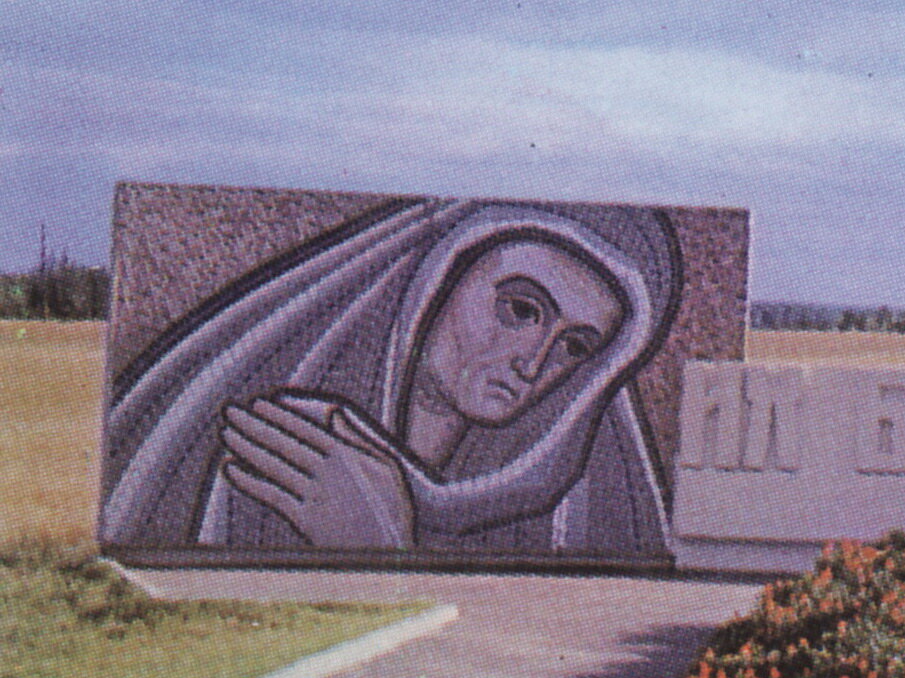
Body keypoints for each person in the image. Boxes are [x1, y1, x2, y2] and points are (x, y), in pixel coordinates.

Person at [101, 198, 680, 558]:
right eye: (521, 309)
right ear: (439, 280)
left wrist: (383, 538)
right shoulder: (293, 438)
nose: (533, 364)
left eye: (576, 347)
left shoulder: (555, 505)